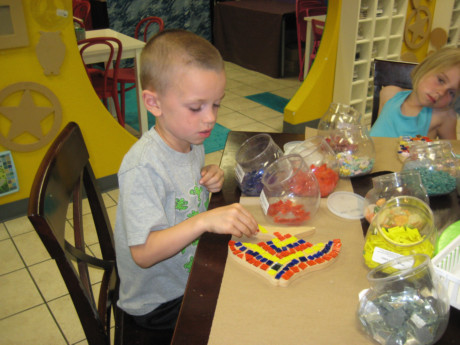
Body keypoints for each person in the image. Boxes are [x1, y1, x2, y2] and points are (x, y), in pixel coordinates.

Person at [114, 29, 258, 336]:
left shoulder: (189, 138)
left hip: (186, 275)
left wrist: (208, 176)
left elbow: (181, 186)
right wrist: (204, 221)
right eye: (196, 107)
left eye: (216, 104)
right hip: (157, 304)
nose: (210, 119)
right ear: (154, 103)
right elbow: (143, 253)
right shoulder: (142, 167)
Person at [370, 47, 460, 139]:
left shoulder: (444, 116)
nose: (441, 93)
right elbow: (376, 139)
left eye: (451, 92)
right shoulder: (389, 94)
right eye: (441, 80)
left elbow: (452, 152)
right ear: (425, 68)